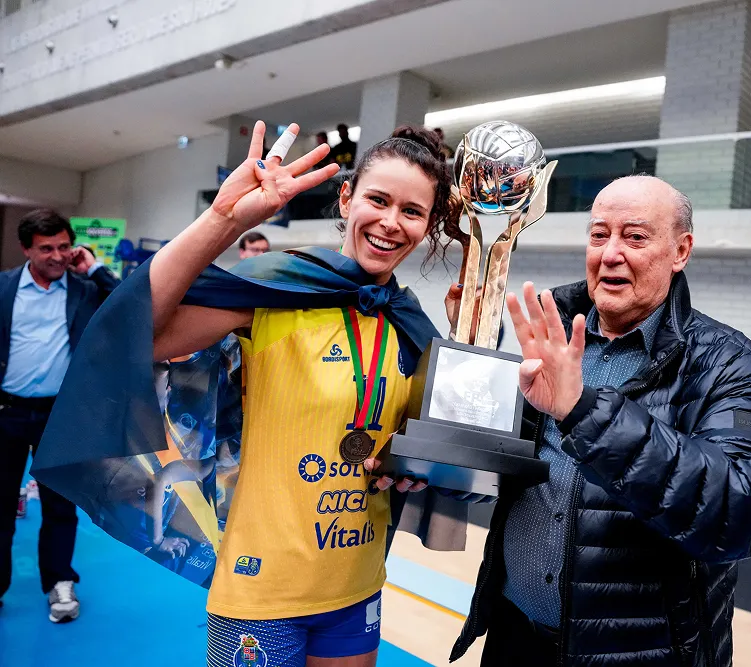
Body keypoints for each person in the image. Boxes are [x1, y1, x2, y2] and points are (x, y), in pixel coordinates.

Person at [33, 121, 464, 667]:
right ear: (346, 197)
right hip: (260, 585)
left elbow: (424, 445)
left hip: (355, 581)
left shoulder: (410, 325)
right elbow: (142, 334)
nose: (391, 223)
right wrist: (223, 221)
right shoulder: (277, 289)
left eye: (412, 211)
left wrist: (409, 461)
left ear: (427, 226)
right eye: (378, 199)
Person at [451, 176, 751, 667]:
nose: (610, 253)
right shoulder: (552, 336)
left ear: (681, 251)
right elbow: (503, 470)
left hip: (640, 654)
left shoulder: (730, 365)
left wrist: (584, 414)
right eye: (598, 234)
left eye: (634, 237)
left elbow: (745, 513)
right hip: (513, 635)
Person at [0, 210, 120, 621]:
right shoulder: (4, 288)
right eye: (46, 248)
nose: (57, 255)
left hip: (60, 415)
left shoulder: (85, 290)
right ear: (26, 249)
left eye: (64, 246)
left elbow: (126, 303)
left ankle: (59, 583)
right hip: (6, 412)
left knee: (60, 506)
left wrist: (96, 267)